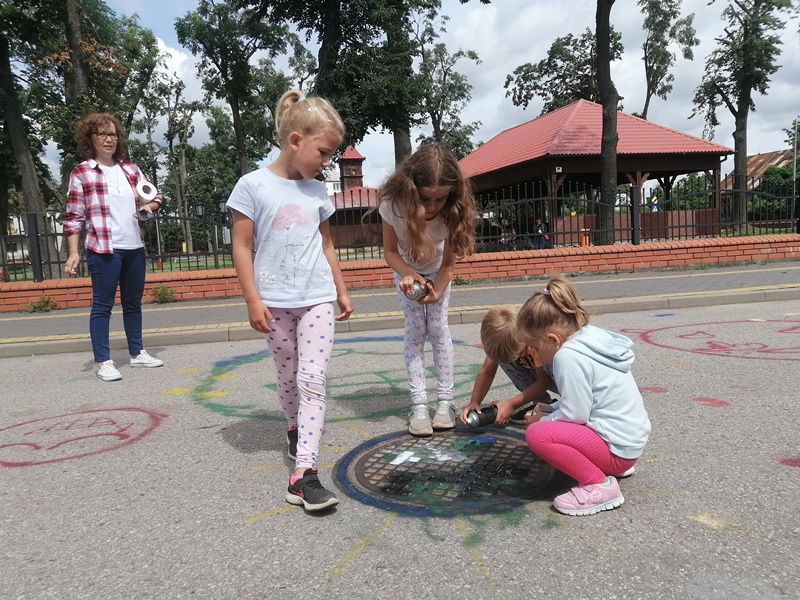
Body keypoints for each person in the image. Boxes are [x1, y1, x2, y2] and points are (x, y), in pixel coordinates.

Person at [227, 90, 354, 512]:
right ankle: (293, 426)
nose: (326, 162)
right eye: (323, 152)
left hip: (316, 298)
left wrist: (340, 289)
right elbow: (241, 246)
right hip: (274, 302)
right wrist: (252, 299)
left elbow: (327, 245)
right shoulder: (252, 185)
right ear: (296, 140)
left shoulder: (318, 191)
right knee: (288, 376)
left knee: (312, 379)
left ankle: (304, 474)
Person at [517, 276, 651, 516]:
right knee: (549, 421)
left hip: (615, 452)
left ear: (552, 339)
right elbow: (586, 402)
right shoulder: (588, 339)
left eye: (536, 348)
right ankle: (606, 469)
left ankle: (599, 486)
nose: (537, 354)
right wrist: (551, 410)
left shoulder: (567, 357)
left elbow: (576, 414)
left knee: (538, 434)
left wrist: (542, 420)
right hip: (627, 445)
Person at [372, 144, 477, 436]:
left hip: (438, 272)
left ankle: (444, 402)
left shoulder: (453, 210)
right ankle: (419, 404)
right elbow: (390, 252)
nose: (432, 207)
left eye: (440, 199)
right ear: (411, 188)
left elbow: (448, 266)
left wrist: (437, 292)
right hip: (407, 274)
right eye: (424, 198)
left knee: (439, 330)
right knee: (415, 331)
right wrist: (407, 273)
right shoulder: (392, 206)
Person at [64, 112, 165, 382]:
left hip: (134, 246)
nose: (109, 139)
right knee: (102, 305)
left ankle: (137, 353)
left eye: (113, 134)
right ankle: (103, 361)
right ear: (90, 138)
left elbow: (155, 195)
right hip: (103, 248)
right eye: (102, 134)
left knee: (133, 304)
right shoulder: (83, 172)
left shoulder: (130, 170)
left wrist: (150, 205)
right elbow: (74, 217)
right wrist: (73, 252)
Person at [459, 306, 556, 427]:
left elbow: (544, 382)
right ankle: (542, 404)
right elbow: (487, 371)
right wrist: (474, 401)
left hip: (557, 380)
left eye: (517, 353)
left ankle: (558, 408)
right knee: (503, 359)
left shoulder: (535, 344)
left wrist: (511, 404)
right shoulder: (502, 342)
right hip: (541, 376)